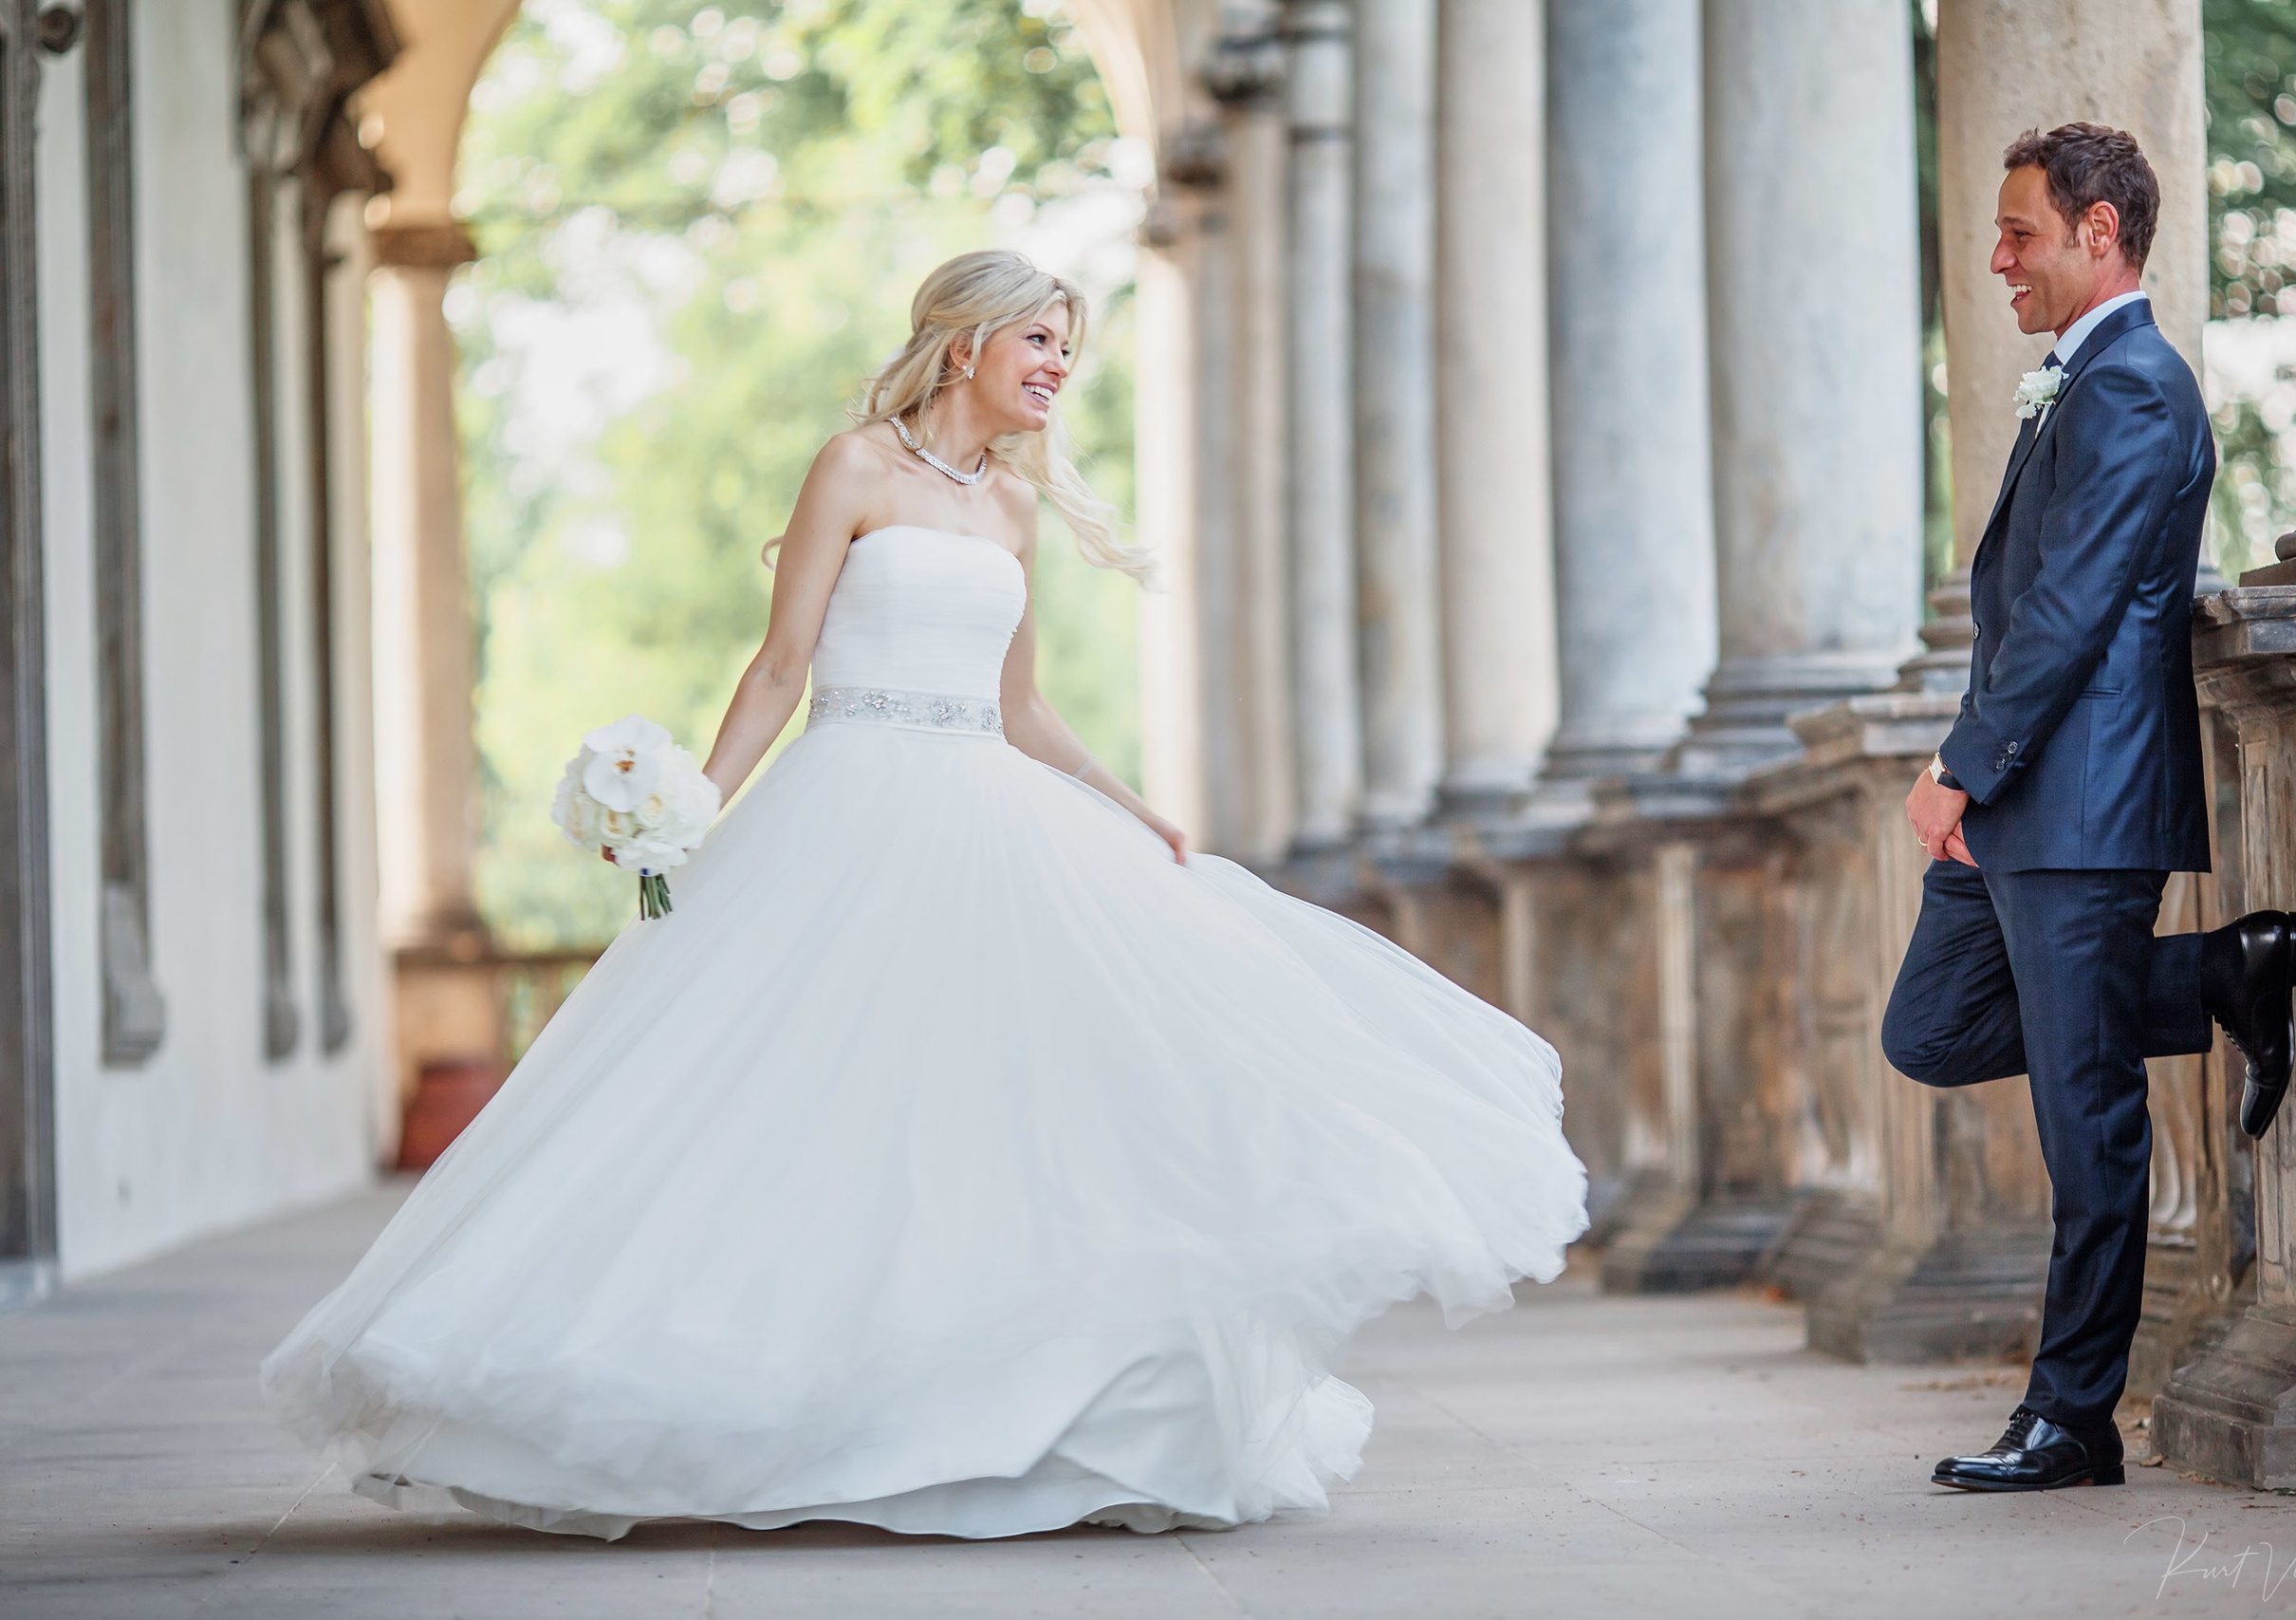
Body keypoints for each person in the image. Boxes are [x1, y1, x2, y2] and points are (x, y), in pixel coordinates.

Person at [262, 250, 1587, 1540]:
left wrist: (1126, 808)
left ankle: (1056, 1423)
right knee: (812, 1107)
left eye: (1071, 347)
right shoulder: (854, 466)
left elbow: (1017, 705)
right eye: (1044, 342)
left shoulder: (1010, 508)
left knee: (1019, 1108)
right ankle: (775, 1398)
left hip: (988, 817)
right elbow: (780, 667)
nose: (1062, 368)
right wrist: (688, 814)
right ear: (967, 343)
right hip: (843, 808)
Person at [1882, 124, 2296, 1495]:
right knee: (1931, 1029)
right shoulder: (2084, 381)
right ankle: (2225, 974)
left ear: (2101, 235)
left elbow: (2066, 614)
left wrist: (1963, 764)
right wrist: (1970, 769)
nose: (1999, 258)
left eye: (2021, 234)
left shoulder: (2133, 389)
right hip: (2019, 808)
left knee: (2088, 1126)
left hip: (2076, 808)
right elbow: (2036, 607)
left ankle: (2073, 1422)